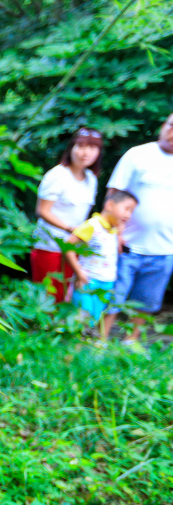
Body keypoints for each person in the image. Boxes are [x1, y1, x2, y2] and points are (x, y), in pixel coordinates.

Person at [104, 113, 173, 343]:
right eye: (171, 126)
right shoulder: (138, 155)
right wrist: (114, 233)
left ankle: (130, 340)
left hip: (165, 249)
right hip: (128, 244)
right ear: (163, 126)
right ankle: (100, 340)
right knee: (114, 295)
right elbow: (113, 194)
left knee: (147, 300)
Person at [31, 128, 103, 303]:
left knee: (66, 296)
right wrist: (70, 229)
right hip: (49, 246)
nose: (85, 153)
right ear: (71, 148)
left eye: (92, 148)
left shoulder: (91, 178)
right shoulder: (57, 175)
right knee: (47, 297)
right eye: (81, 146)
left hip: (73, 248)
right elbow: (42, 210)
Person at [63, 191, 137, 338]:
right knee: (81, 320)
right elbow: (68, 248)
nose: (129, 215)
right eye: (126, 209)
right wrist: (78, 272)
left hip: (107, 283)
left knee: (93, 320)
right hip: (87, 281)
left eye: (132, 212)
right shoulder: (91, 225)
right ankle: (70, 354)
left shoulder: (114, 229)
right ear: (110, 205)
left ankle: (80, 354)